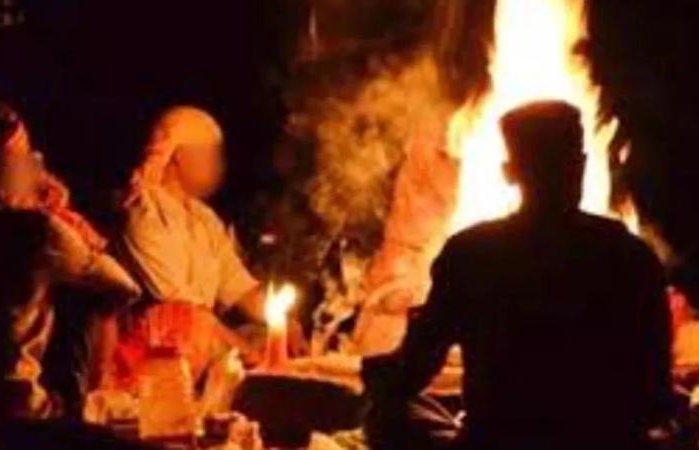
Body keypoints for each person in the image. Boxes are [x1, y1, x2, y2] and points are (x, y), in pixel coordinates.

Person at [362, 101, 673, 450]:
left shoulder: (471, 253)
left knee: (388, 415)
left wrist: (376, 374)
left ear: (509, 173)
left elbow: (413, 371)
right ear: (581, 165)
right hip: (605, 442)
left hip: (496, 441)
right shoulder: (631, 256)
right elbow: (656, 396)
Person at [0, 99, 141, 423]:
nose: (38, 167)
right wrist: (66, 223)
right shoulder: (35, 232)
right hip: (23, 413)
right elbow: (122, 286)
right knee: (96, 294)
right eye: (23, 159)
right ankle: (78, 411)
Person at [117, 106, 303, 384]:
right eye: (212, 155)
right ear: (180, 157)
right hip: (151, 357)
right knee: (227, 343)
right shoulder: (144, 216)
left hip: (201, 341)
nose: (220, 166)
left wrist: (283, 323)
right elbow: (185, 310)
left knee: (265, 337)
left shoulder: (205, 218)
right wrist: (248, 354)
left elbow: (240, 287)